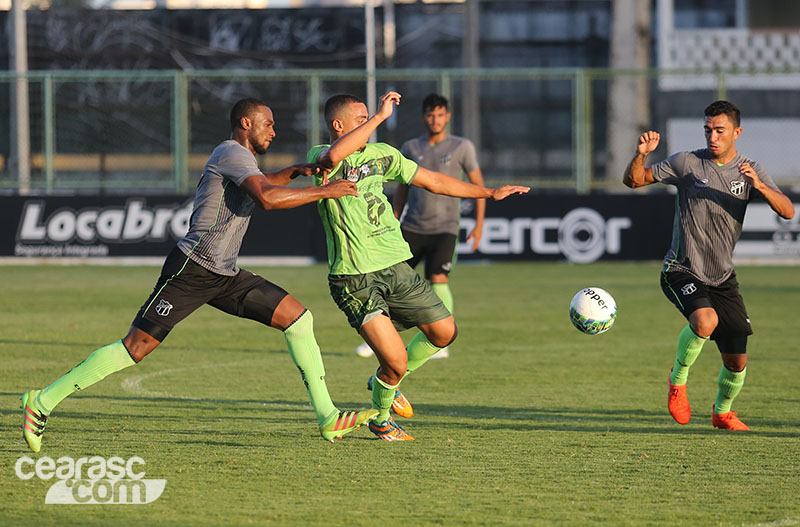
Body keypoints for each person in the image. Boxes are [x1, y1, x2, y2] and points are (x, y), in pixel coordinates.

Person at [21, 97, 378, 453]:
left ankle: (328, 417)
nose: (274, 130)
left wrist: (296, 171)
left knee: (297, 318)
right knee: (136, 347)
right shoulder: (230, 152)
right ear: (245, 124)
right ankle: (41, 401)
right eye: (267, 124)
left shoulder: (242, 160)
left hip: (224, 274)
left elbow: (263, 182)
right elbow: (267, 198)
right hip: (191, 269)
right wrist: (323, 191)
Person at [308, 91, 529, 441]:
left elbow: (436, 181)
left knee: (444, 332)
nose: (368, 122)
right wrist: (380, 117)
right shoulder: (321, 156)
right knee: (394, 363)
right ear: (339, 125)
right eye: (360, 118)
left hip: (396, 266)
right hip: (355, 276)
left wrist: (488, 192)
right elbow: (335, 153)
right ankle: (381, 419)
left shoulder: (385, 155)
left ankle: (382, 382)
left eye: (369, 117)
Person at [623, 100, 794, 431]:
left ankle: (722, 411)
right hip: (681, 268)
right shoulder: (687, 163)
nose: (712, 137)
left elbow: (787, 211)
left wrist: (759, 187)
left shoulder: (750, 170)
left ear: (736, 132)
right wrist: (641, 154)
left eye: (720, 130)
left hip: (722, 277)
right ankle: (677, 382)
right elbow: (634, 181)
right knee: (705, 321)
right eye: (708, 130)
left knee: (737, 361)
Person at [354, 93, 485, 360]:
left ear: (447, 117)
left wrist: (479, 225)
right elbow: (403, 185)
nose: (435, 120)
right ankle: (378, 339)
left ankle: (439, 342)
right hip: (412, 227)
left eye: (439, 114)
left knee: (438, 278)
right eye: (430, 114)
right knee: (389, 283)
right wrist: (395, 215)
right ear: (423, 117)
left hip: (445, 229)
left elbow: (478, 184)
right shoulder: (411, 147)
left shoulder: (462, 147)